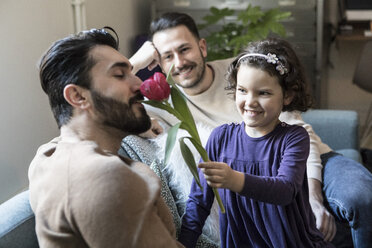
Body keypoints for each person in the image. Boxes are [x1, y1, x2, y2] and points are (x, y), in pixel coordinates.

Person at [130, 12, 372, 247]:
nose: (180, 62)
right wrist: (134, 63)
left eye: (184, 49)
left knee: (362, 197)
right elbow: (101, 105)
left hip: (312, 159)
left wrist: (313, 196)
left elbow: (297, 137)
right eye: (168, 56)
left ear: (202, 47)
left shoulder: (246, 67)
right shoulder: (163, 105)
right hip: (249, 173)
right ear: (158, 62)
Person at [28, 27, 183, 248]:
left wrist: (128, 78)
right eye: (120, 75)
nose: (140, 84)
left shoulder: (45, 158)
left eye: (131, 72)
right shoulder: (106, 178)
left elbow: (75, 123)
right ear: (78, 96)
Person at [179, 38, 333, 247]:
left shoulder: (294, 138)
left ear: (287, 95)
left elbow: (285, 190)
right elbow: (198, 203)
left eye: (263, 93)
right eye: (242, 90)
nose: (250, 101)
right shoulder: (220, 138)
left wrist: (234, 180)